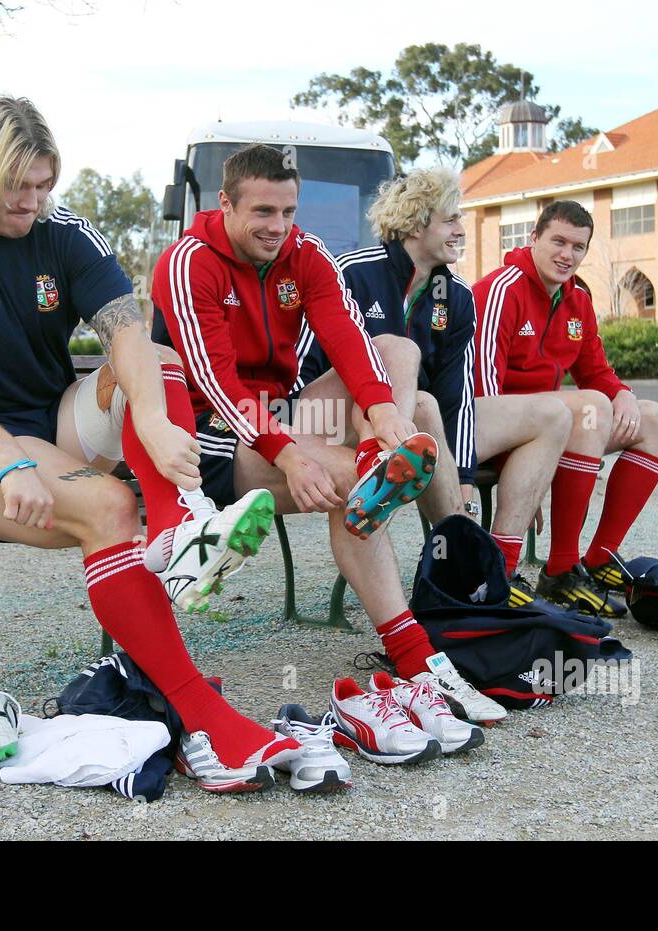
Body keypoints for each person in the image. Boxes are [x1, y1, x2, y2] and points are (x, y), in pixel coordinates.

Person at [0, 96, 299, 792]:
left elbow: (126, 330)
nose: (33, 201)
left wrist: (158, 423)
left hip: (51, 419)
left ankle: (176, 532)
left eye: (45, 185)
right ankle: (206, 723)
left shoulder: (62, 228)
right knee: (107, 508)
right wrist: (10, 458)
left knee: (156, 360)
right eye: (18, 185)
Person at [152, 144, 506, 726]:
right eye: (263, 212)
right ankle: (417, 660)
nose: (279, 227)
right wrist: (291, 457)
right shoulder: (187, 261)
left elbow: (348, 338)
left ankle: (376, 461)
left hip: (283, 413)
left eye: (289, 211)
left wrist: (384, 417)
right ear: (225, 203)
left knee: (397, 349)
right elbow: (218, 385)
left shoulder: (306, 253)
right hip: (209, 433)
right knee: (350, 483)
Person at [295, 167, 569, 587]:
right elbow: (303, 366)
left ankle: (501, 568)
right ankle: (466, 565)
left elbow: (455, 396)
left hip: (417, 430)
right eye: (451, 219)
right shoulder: (352, 272)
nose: (461, 229)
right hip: (327, 418)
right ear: (416, 222)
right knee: (414, 386)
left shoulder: (456, 296)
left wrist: (462, 476)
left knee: (553, 413)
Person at [473, 200, 658, 618]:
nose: (567, 255)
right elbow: (481, 388)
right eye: (558, 242)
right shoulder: (502, 289)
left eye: (578, 247)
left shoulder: (577, 298)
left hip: (556, 424)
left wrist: (622, 393)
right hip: (495, 425)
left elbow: (595, 370)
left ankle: (599, 560)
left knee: (654, 419)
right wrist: (529, 464)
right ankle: (561, 567)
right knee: (590, 407)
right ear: (533, 239)